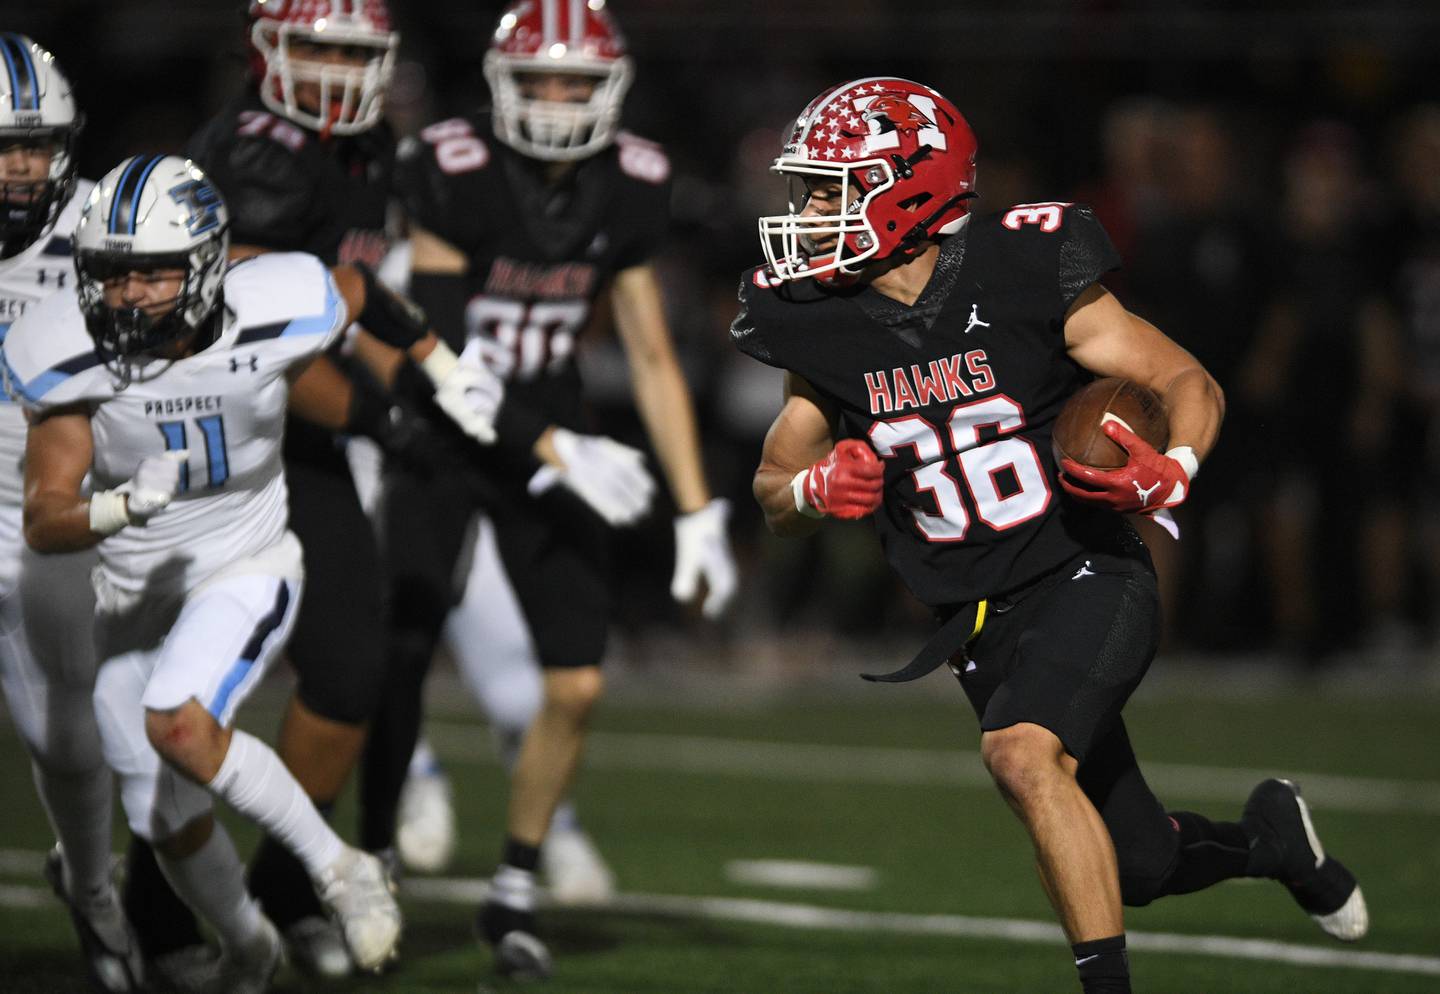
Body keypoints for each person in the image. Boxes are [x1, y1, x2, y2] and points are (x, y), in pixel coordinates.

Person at [733, 77, 1368, 994]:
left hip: (1086, 567)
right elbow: (771, 485)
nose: (812, 211)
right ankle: (1273, 841)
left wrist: (1175, 466)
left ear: (912, 187)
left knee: (1022, 756)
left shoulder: (1024, 267)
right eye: (812, 190)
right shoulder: (818, 319)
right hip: (978, 617)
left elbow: (1188, 380)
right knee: (1142, 863)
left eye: (837, 188)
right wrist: (815, 487)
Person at [2, 153, 502, 992]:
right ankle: (251, 945)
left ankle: (343, 871)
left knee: (179, 727)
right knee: (163, 811)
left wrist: (446, 370)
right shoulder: (66, 349)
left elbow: (360, 289)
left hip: (245, 559)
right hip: (128, 593)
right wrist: (116, 508)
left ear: (204, 268)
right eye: (112, 276)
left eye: (153, 275)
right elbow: (46, 519)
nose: (128, 298)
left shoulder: (278, 304)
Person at [363, 0, 737, 977]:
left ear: (612, 89)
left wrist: (699, 510)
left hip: (552, 437)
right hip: (445, 432)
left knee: (575, 677)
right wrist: (564, 452)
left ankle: (516, 885)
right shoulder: (450, 168)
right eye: (542, 82)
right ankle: (370, 857)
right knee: (399, 650)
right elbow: (443, 350)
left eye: (580, 82)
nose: (562, 101)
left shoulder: (634, 185)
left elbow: (651, 355)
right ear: (500, 86)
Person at [0, 34, 147, 993]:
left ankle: (92, 890)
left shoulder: (105, 226)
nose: (20, 165)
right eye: (2, 147)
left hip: (42, 509)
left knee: (68, 737)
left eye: (35, 144)